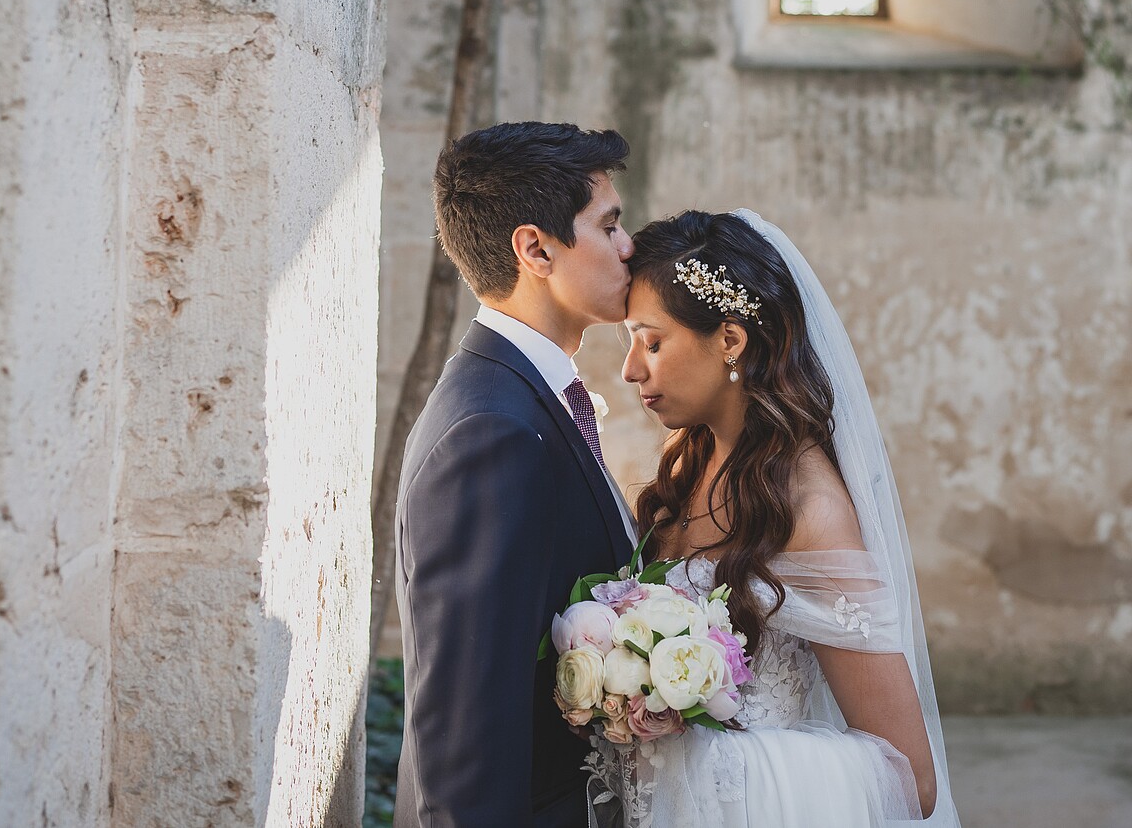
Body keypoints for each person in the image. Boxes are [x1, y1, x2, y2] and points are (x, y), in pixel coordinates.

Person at [612, 209, 959, 826]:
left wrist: (710, 768)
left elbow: (912, 775)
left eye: (653, 341)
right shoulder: (688, 460)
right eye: (630, 342)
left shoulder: (809, 508)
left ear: (730, 340)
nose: (632, 369)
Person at [394, 122, 639, 828]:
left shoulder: (526, 397)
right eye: (610, 225)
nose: (629, 246)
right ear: (535, 248)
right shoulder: (493, 430)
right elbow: (464, 725)